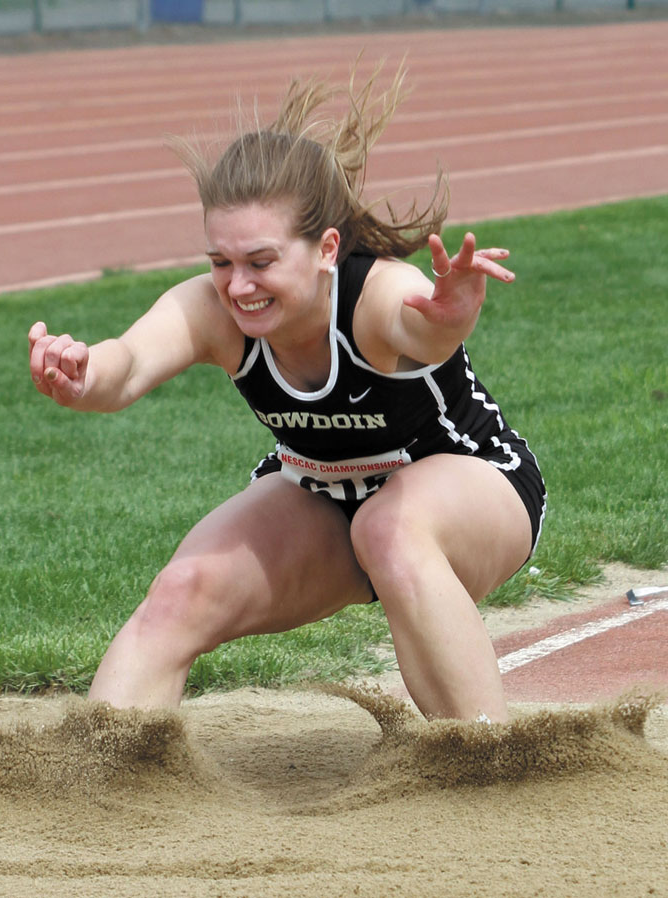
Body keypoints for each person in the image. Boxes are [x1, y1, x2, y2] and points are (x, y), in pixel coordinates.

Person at [28, 64, 545, 724]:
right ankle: (100, 781)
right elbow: (124, 366)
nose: (238, 285)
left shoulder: (373, 292)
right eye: (221, 262)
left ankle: (487, 760)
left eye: (260, 262)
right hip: (321, 490)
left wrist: (452, 317)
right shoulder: (211, 311)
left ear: (326, 248)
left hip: (467, 486)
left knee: (387, 528)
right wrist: (79, 374)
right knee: (181, 592)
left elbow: (420, 329)